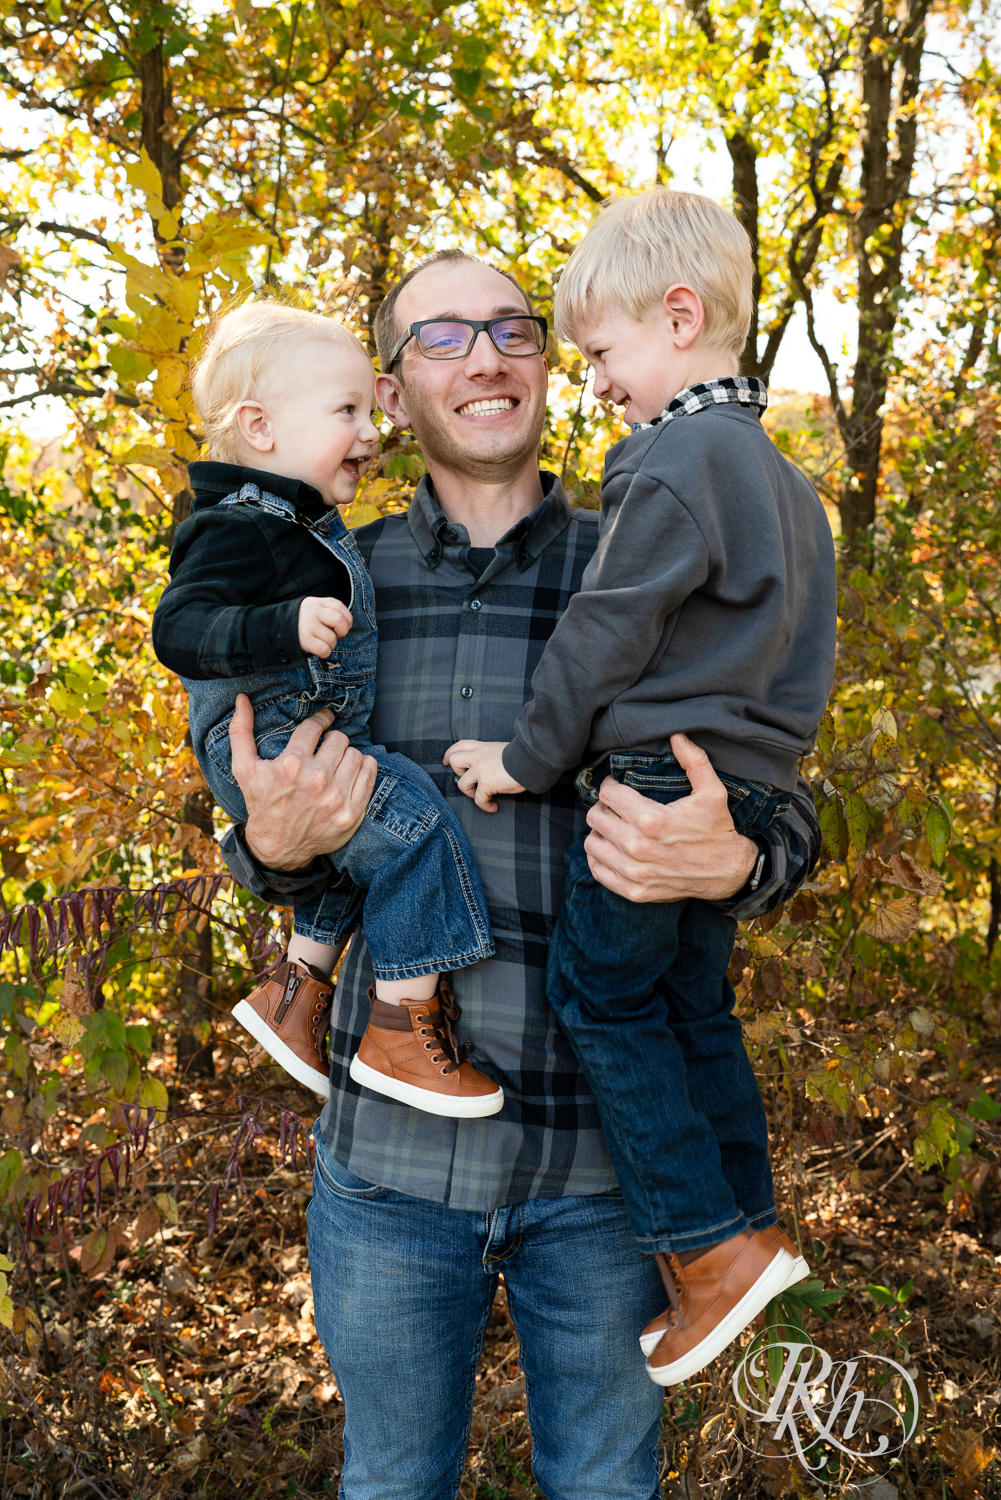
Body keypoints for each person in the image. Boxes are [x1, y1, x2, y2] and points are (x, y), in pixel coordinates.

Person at [217, 250, 823, 1500]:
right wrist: (266, 846)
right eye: (442, 337)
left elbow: (783, 796)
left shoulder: (655, 542)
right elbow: (252, 812)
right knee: (392, 1480)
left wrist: (745, 856)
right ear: (389, 393)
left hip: (605, 1184)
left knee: (603, 1484)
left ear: (552, 365)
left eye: (511, 329)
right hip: (386, 1177)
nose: (485, 356)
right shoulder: (334, 581)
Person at [444, 188, 837, 1388]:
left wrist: (522, 757)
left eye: (602, 353)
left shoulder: (674, 464)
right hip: (748, 784)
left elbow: (603, 637)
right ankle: (746, 1228)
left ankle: (704, 1253)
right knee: (688, 1010)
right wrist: (762, 800)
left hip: (663, 781)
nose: (598, 382)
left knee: (600, 996)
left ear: (678, 316)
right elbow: (803, 660)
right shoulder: (785, 484)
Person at [152, 298, 503, 1118]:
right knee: (410, 821)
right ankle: (399, 1027)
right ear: (261, 429)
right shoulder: (240, 526)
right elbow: (178, 628)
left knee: (360, 845)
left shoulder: (301, 522)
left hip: (301, 742)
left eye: (371, 404)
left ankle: (297, 989)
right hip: (274, 745)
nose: (371, 428)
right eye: (346, 409)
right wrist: (284, 624)